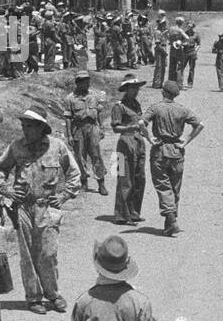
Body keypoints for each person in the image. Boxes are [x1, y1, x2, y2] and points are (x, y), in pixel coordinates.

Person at [0, 109, 80, 314]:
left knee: (48, 253)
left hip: (47, 206)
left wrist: (65, 196)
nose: (25, 130)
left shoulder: (57, 146)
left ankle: (52, 294)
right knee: (28, 254)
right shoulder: (15, 147)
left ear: (41, 127)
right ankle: (33, 297)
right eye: (23, 126)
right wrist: (7, 190)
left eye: (30, 126)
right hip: (23, 207)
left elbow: (74, 173)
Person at [144, 80, 204, 235]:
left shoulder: (155, 108)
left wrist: (149, 139)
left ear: (164, 92)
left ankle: (170, 219)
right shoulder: (182, 110)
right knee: (175, 187)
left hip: (160, 150)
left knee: (163, 187)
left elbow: (140, 123)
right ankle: (170, 222)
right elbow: (200, 125)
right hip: (177, 151)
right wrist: (187, 141)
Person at [111, 73, 149, 226]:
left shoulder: (136, 104)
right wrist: (130, 127)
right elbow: (115, 128)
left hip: (138, 143)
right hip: (124, 145)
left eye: (137, 88)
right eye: (133, 88)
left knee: (139, 179)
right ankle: (122, 215)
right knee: (124, 179)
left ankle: (134, 212)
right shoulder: (118, 106)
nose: (136, 90)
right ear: (126, 89)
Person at [64, 71, 108, 196]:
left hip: (92, 128)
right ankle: (83, 182)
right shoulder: (70, 98)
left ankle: (101, 183)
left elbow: (98, 113)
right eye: (84, 81)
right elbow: (67, 118)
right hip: (78, 128)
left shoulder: (93, 95)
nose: (87, 83)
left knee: (96, 155)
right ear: (78, 83)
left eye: (88, 81)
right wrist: (69, 135)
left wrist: (101, 127)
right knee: (80, 156)